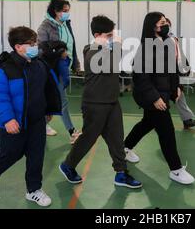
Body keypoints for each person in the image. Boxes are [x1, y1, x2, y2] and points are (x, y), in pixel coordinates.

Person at [59, 15, 142, 189]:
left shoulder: (106, 50)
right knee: (88, 139)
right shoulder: (91, 51)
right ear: (97, 35)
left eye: (113, 35)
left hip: (111, 102)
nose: (112, 38)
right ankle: (68, 165)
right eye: (108, 35)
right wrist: (118, 46)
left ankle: (120, 173)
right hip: (94, 104)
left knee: (117, 139)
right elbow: (110, 65)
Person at [0, 26, 62, 207]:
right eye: (31, 44)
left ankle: (33, 190)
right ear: (18, 47)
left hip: (36, 122)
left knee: (36, 156)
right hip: (14, 123)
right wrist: (8, 119)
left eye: (35, 43)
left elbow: (45, 90)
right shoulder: (5, 69)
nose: (35, 46)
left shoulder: (38, 65)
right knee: (10, 154)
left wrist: (48, 110)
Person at [124, 12, 195, 185]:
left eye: (166, 22)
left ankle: (123, 148)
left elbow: (171, 72)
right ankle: (176, 170)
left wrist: (176, 88)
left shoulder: (165, 44)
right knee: (167, 132)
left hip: (161, 94)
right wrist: (155, 98)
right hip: (150, 96)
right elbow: (141, 77)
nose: (166, 25)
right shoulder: (146, 48)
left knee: (146, 124)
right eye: (162, 23)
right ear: (153, 26)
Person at [37, 0, 81, 143]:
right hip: (52, 69)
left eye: (68, 11)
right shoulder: (45, 27)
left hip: (65, 66)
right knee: (62, 100)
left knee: (53, 100)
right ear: (55, 11)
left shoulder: (66, 24)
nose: (67, 13)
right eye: (64, 11)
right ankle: (72, 131)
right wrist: (58, 53)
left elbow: (71, 45)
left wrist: (76, 63)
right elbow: (42, 49)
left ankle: (42, 124)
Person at [166, 17, 195, 129]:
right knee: (164, 97)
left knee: (179, 95)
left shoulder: (173, 37)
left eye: (168, 24)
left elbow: (180, 54)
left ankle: (187, 119)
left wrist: (185, 66)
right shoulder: (157, 40)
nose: (166, 26)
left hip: (174, 71)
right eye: (163, 24)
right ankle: (154, 121)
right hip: (164, 73)